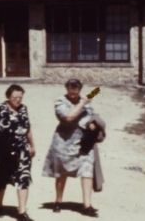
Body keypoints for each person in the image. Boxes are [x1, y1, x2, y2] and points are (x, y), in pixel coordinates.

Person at [42, 79, 103, 217]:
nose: (73, 94)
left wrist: (92, 124)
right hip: (64, 142)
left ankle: (87, 205)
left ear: (80, 89)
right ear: (66, 89)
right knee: (62, 173)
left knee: (87, 170)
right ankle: (58, 201)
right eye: (71, 91)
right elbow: (68, 117)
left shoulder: (86, 100)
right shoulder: (60, 102)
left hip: (84, 143)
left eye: (76, 91)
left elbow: (91, 115)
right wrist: (82, 103)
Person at [0, 84, 35, 221]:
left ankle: (22, 211)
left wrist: (32, 145)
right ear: (8, 97)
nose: (18, 100)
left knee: (24, 178)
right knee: (2, 177)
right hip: (3, 149)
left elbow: (28, 128)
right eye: (15, 97)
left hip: (22, 149)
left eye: (20, 97)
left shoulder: (24, 109)